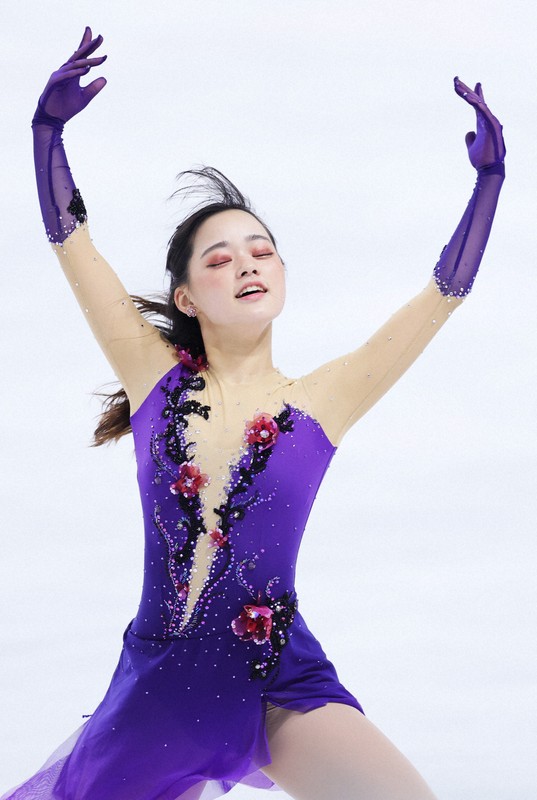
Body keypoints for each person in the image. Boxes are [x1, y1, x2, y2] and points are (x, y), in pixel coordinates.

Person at [4, 25, 505, 800]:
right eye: (219, 258)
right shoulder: (153, 380)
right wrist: (46, 135)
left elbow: (439, 298)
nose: (245, 265)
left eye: (261, 250)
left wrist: (486, 189)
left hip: (279, 681)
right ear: (185, 298)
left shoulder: (322, 401)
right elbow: (73, 243)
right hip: (160, 689)